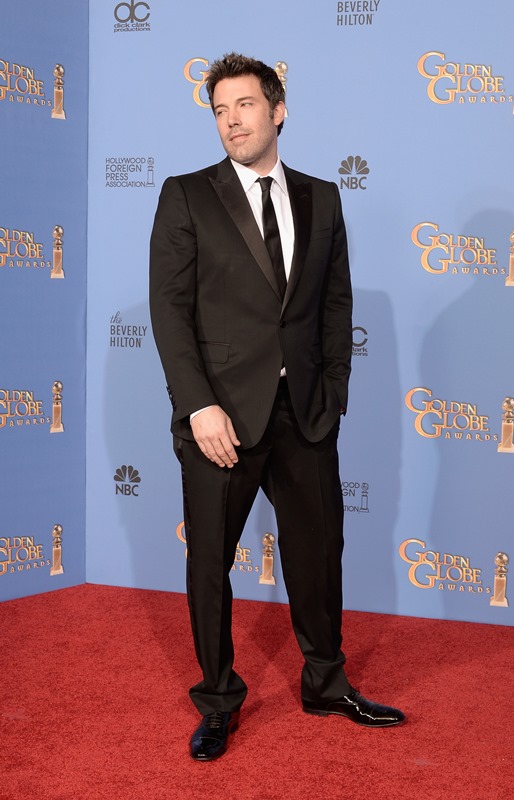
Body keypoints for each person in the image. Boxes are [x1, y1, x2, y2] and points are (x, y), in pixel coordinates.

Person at [150, 53, 404, 762]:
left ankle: (326, 684)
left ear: (278, 110)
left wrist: (333, 392)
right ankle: (218, 701)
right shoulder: (187, 195)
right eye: (220, 110)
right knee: (210, 563)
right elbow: (169, 312)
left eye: (245, 105)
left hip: (305, 414)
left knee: (319, 556)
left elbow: (335, 304)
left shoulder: (322, 198)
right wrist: (198, 407)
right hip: (221, 420)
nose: (231, 121)